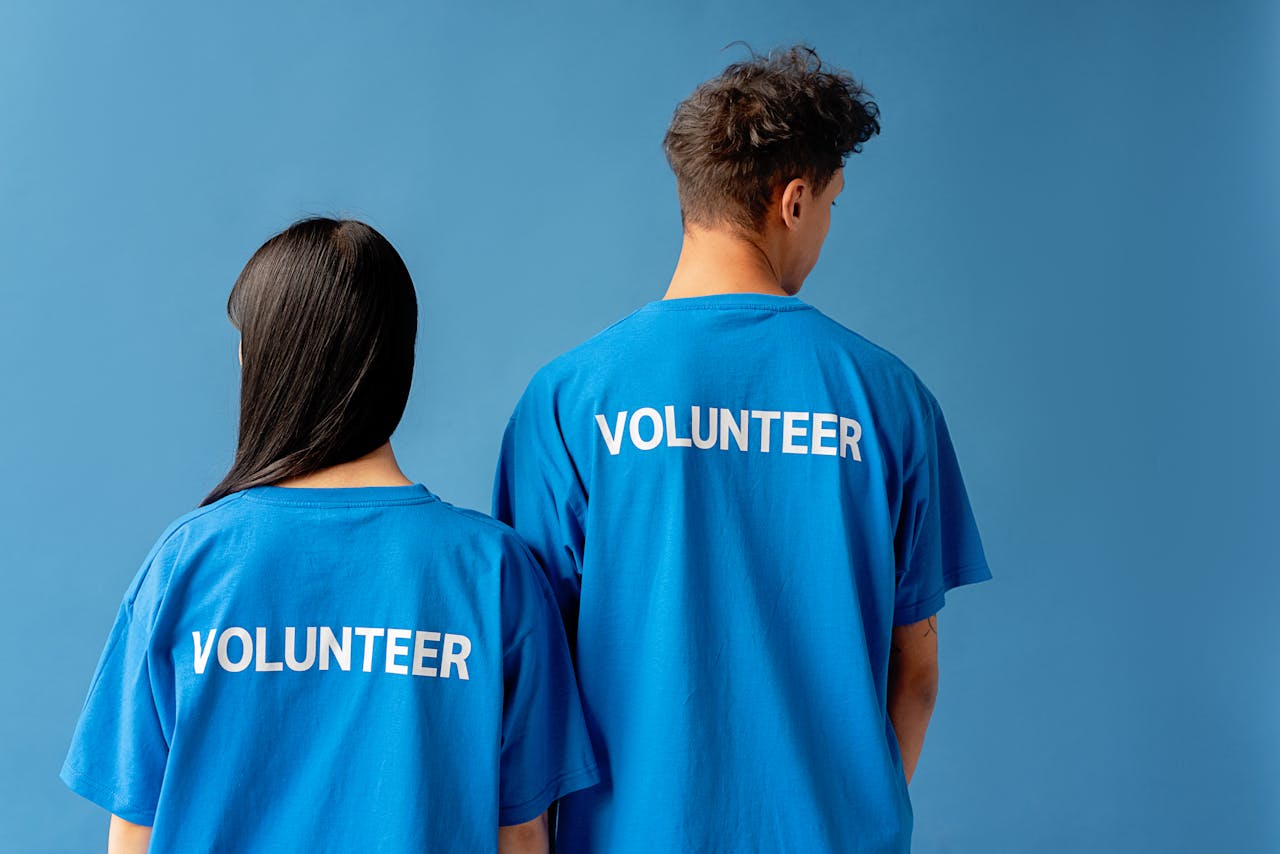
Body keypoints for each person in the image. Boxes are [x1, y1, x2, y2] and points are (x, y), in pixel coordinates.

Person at [493, 46, 991, 852]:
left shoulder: (568, 399)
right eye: (831, 201)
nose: (827, 223)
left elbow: (530, 691)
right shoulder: (889, 398)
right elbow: (918, 674)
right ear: (793, 201)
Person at [62, 218, 598, 853]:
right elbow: (523, 834)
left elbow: (134, 833)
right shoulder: (493, 572)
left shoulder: (189, 563)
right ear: (402, 359)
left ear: (257, 362)